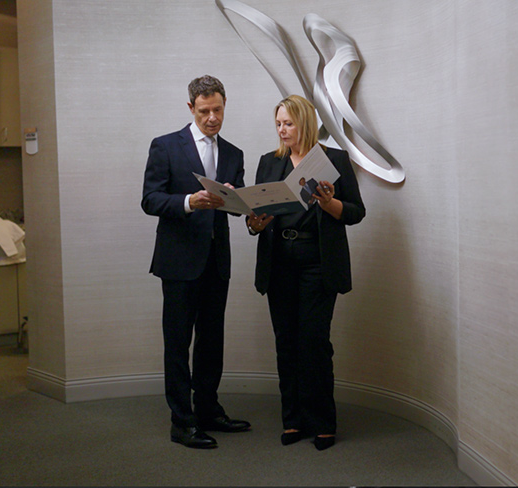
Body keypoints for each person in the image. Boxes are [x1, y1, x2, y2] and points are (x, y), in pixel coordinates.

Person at [245, 95, 366, 451]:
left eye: (288, 124)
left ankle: (322, 422)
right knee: (286, 343)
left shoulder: (334, 160)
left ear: (305, 124)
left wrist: (329, 204)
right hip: (278, 260)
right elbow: (255, 219)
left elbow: (356, 212)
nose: (282, 131)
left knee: (313, 342)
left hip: (318, 262)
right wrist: (255, 222)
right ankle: (293, 420)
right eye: (278, 124)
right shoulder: (269, 163)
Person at [141, 75, 252, 449]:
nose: (211, 118)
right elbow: (150, 200)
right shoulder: (165, 146)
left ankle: (208, 410)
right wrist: (190, 202)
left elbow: (236, 209)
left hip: (216, 261)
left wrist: (240, 202)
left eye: (217, 110)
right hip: (178, 262)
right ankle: (182, 421)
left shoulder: (234, 153)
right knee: (177, 344)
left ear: (224, 106)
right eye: (204, 111)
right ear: (191, 108)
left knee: (211, 341)